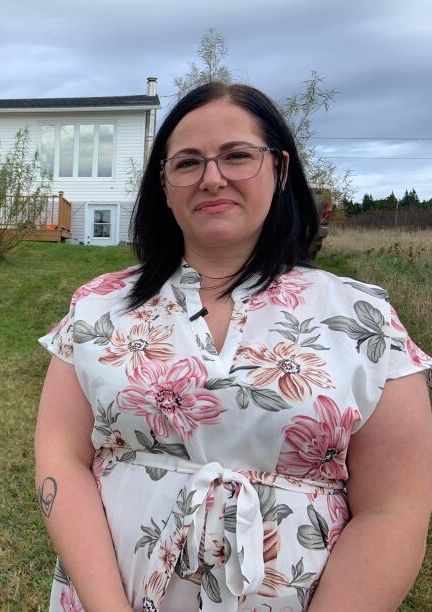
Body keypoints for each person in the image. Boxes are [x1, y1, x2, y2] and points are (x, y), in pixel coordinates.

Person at [35, 82, 432, 612]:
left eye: (237, 156)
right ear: (164, 182)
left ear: (281, 169)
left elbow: (395, 508)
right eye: (188, 162)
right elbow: (61, 457)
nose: (212, 178)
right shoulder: (99, 306)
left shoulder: (362, 320)